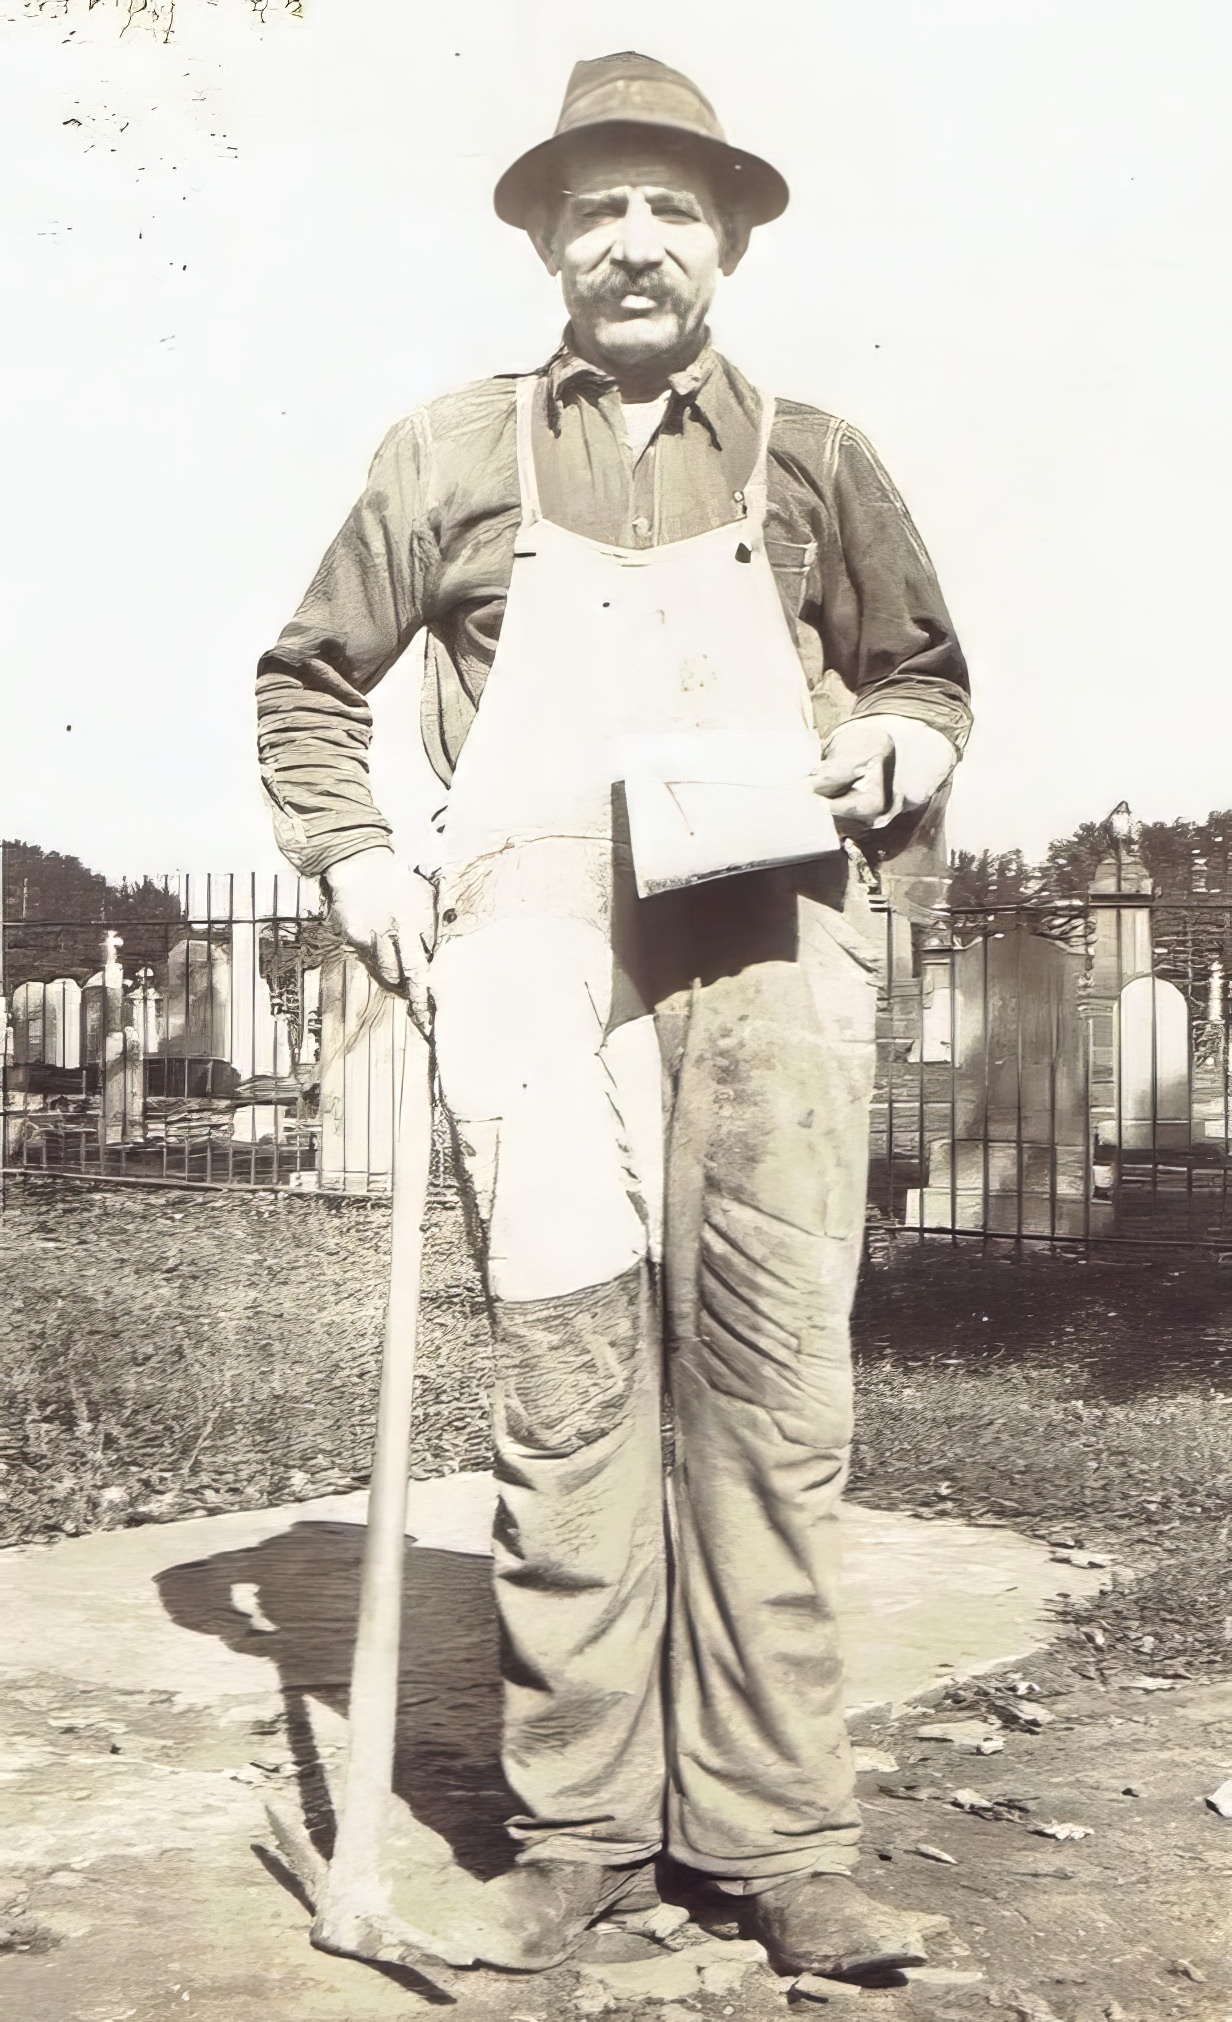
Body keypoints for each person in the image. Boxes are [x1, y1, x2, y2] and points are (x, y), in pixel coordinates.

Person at [256, 51, 971, 1984]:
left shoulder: (817, 455)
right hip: (529, 960)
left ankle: (779, 1842)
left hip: (766, 954)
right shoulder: (447, 453)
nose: (635, 241)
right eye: (600, 209)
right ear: (551, 242)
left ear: (728, 241)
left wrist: (903, 741)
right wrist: (356, 863)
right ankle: (577, 1831)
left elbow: (922, 681)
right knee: (568, 1383)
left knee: (766, 1389)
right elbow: (308, 684)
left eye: (673, 207)